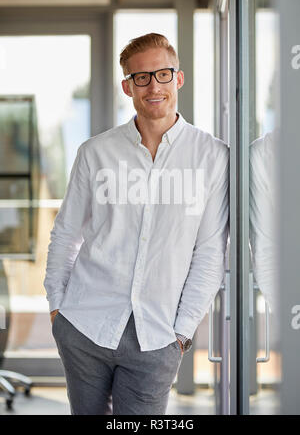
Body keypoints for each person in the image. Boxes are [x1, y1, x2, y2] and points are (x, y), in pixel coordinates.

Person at [44, 33, 229, 415]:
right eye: (141, 78)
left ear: (178, 78)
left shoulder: (212, 157)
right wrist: (57, 308)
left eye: (162, 74)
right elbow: (66, 234)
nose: (153, 86)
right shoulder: (95, 152)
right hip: (84, 325)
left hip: (158, 336)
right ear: (127, 87)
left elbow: (210, 251)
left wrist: (181, 333)